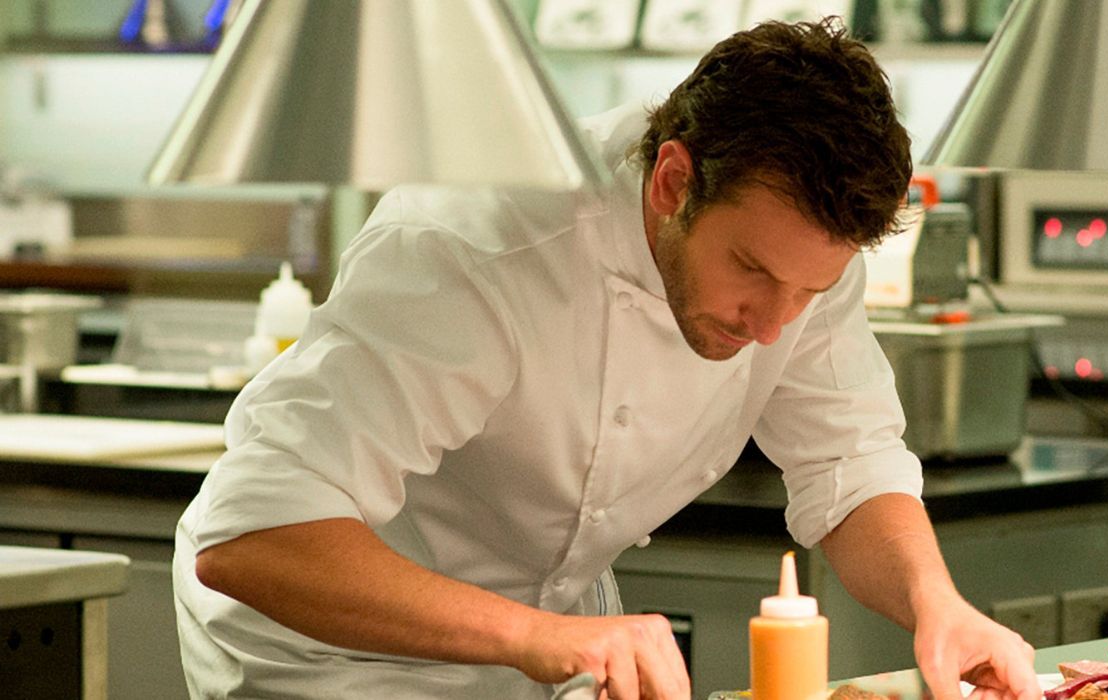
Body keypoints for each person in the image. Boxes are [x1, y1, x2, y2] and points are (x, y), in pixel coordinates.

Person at [173, 17, 1040, 700]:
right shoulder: (474, 245)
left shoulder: (803, 256)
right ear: (671, 183)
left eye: (810, 292)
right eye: (750, 271)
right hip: (332, 659)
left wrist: (939, 607)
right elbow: (253, 537)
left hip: (558, 639)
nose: (776, 326)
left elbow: (848, 463)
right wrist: (539, 637)